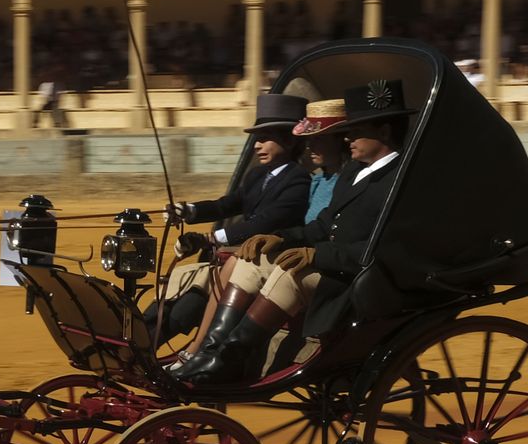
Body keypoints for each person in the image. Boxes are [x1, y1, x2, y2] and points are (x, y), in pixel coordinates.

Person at [177, 80, 414, 386]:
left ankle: (230, 358)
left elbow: (380, 248)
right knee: (250, 262)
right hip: (330, 264)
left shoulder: (400, 180)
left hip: (357, 277)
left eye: (357, 130)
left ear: (384, 132)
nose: (348, 138)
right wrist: (282, 238)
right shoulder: (354, 173)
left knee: (291, 272)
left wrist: (317, 254)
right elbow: (324, 225)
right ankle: (211, 353)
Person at [144, 94, 310, 346]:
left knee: (197, 294)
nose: (256, 145)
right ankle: (142, 338)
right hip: (240, 257)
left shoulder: (299, 179)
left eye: (265, 138)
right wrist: (189, 211)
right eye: (257, 138)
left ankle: (164, 345)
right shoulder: (257, 175)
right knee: (184, 284)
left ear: (289, 139)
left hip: (266, 260)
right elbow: (228, 204)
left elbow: (266, 221)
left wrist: (212, 238)